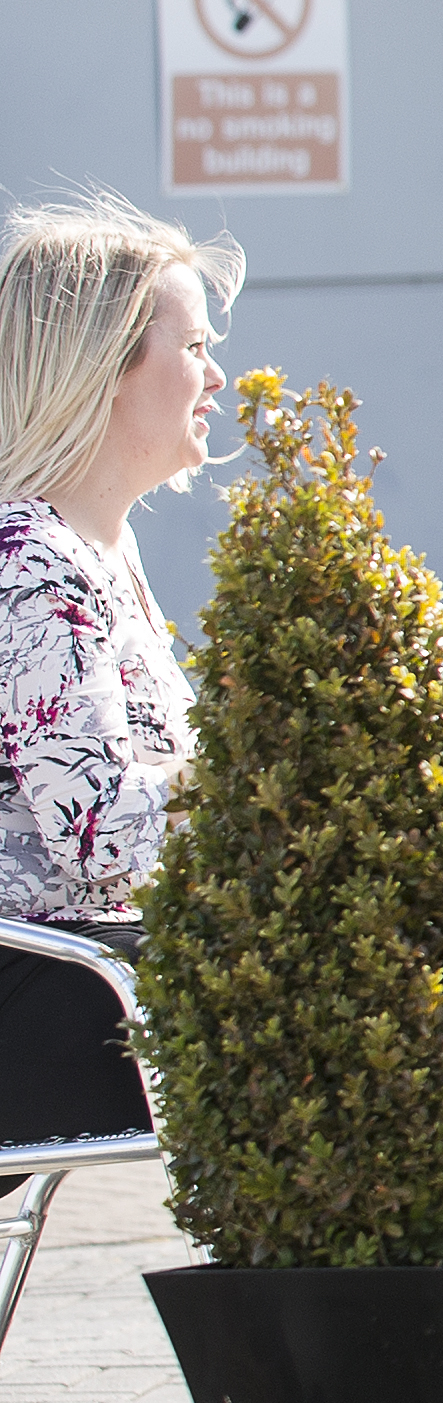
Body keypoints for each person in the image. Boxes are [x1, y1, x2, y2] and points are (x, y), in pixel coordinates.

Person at [0, 195, 239, 1161]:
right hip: (49, 988)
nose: (218, 375)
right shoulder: (29, 560)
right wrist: (270, 763)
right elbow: (98, 831)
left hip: (102, 968)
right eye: (193, 346)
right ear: (104, 370)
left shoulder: (100, 550)